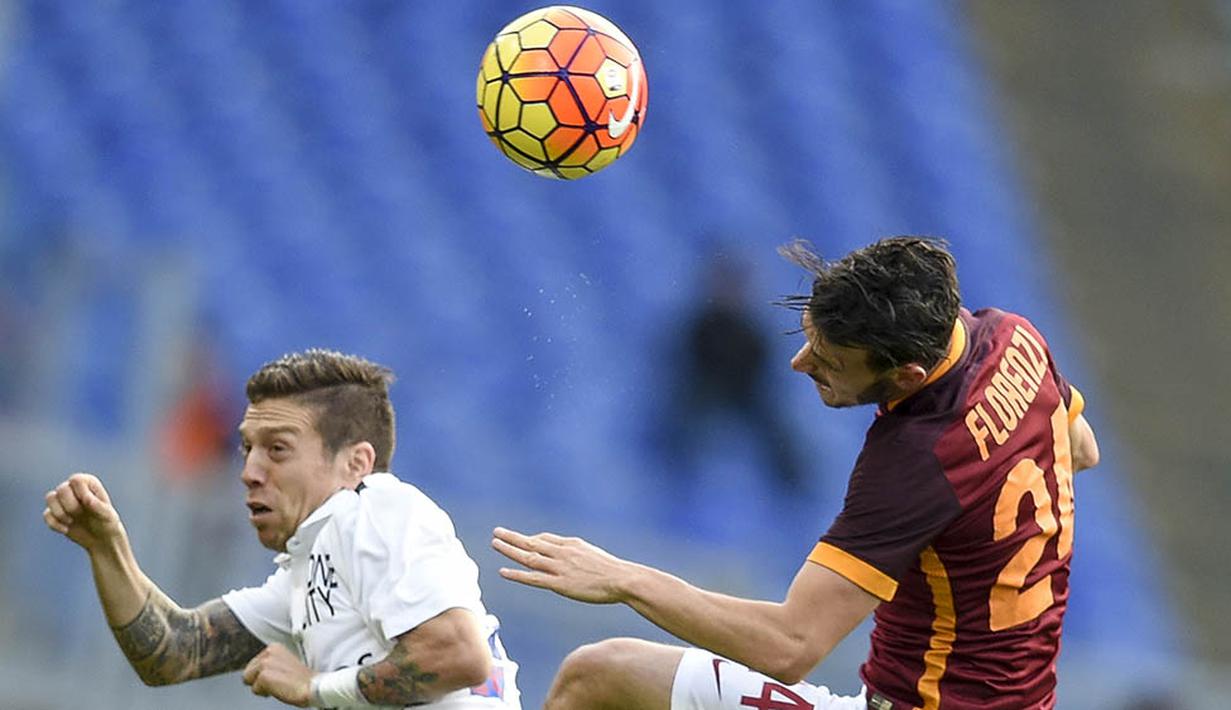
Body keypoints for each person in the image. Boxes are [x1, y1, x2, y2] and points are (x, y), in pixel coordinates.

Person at [492, 237, 1099, 709]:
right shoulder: (1015, 339)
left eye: (830, 361)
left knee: (595, 678)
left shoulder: (915, 461)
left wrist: (624, 579)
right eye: (808, 337)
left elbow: (788, 647)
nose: (799, 362)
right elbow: (1081, 447)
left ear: (909, 375)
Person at [43, 348, 521, 709]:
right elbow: (175, 650)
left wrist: (313, 688)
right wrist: (107, 548)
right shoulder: (307, 571)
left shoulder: (378, 509)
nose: (249, 470)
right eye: (247, 447)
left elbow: (459, 655)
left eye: (277, 449)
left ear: (356, 463)